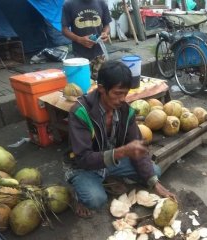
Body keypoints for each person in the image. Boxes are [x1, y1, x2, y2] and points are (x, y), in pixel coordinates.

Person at [64, 60, 176, 218]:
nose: (123, 99)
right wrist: (121, 152)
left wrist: (155, 185)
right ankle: (77, 193)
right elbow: (83, 158)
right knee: (95, 200)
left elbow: (138, 149)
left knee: (154, 172)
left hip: (111, 161)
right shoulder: (80, 112)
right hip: (84, 166)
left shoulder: (125, 111)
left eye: (126, 93)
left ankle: (107, 178)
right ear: (102, 89)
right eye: (117, 93)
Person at [61, 0, 111, 80]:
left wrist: (105, 33)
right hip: (80, 56)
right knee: (82, 84)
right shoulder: (69, 4)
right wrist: (79, 39)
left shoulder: (101, 3)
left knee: (102, 82)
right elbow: (64, 30)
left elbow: (107, 25)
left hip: (99, 54)